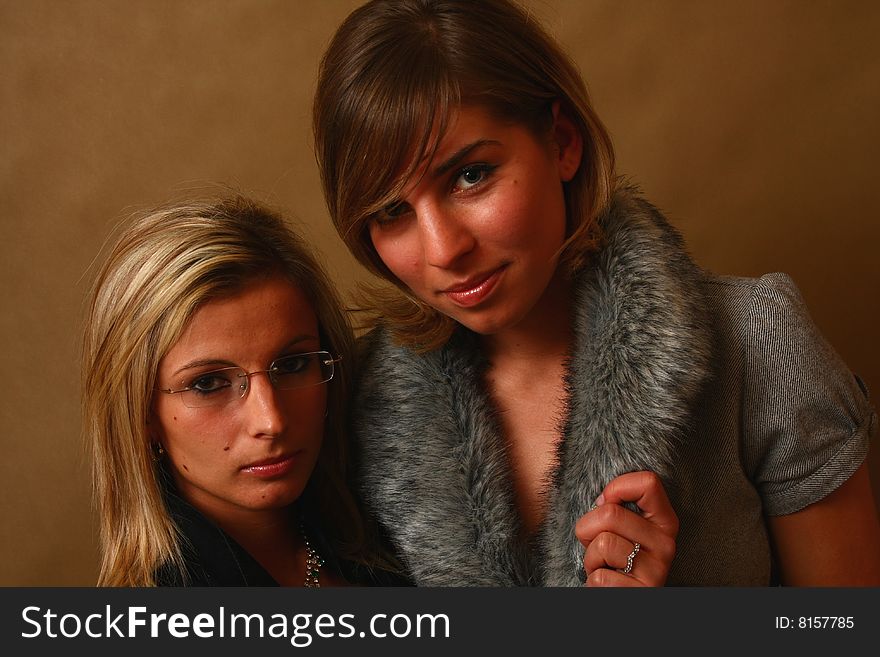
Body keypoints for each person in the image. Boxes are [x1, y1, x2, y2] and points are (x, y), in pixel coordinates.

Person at [312, 0, 880, 586]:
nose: (442, 249)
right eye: (391, 211)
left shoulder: (758, 343)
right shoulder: (345, 405)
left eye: (470, 175)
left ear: (562, 142)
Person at [82, 194, 402, 586]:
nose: (271, 420)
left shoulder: (407, 538)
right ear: (142, 414)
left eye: (292, 364)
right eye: (208, 383)